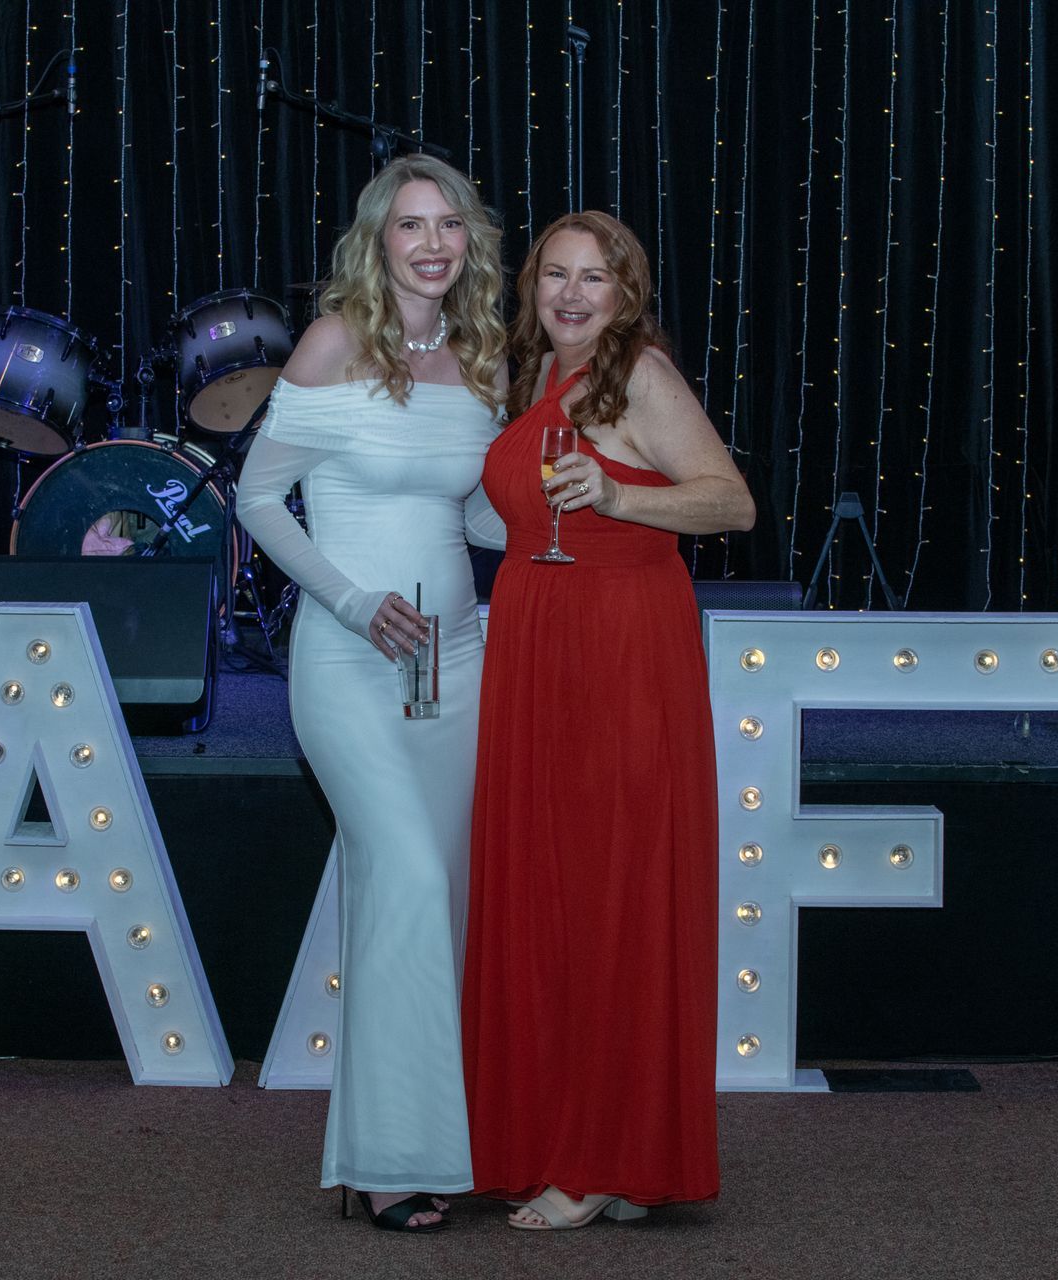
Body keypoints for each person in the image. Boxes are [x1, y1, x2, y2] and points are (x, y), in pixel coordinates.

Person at [462, 211, 755, 1230]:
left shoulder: (641, 377)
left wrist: (622, 501)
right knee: (557, 895)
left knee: (607, 893)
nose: (573, 294)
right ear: (532, 287)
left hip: (622, 659)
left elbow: (732, 504)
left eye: (596, 278)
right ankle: (616, 1150)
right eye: (556, 275)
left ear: (627, 294)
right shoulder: (533, 377)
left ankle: (591, 1162)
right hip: (538, 649)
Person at [234, 154, 508, 1233]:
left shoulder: (483, 357)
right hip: (349, 664)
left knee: (438, 902)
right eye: (411, 226)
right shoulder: (336, 342)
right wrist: (352, 603)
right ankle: (392, 1158)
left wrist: (570, 527)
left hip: (460, 666)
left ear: (469, 242)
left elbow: (479, 522)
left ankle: (410, 1144)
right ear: (378, 242)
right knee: (401, 873)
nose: (432, 242)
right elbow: (258, 498)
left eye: (449, 224)